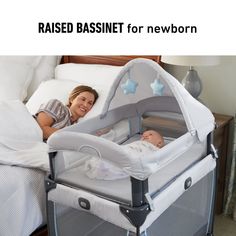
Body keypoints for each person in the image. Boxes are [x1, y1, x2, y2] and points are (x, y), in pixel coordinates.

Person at [85, 129, 165, 180]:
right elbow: (128, 148)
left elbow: (153, 161)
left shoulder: (155, 150)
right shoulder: (139, 143)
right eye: (143, 135)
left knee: (124, 164)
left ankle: (103, 167)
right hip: (126, 150)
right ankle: (98, 162)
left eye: (150, 134)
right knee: (117, 151)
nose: (145, 135)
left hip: (133, 158)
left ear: (159, 143)